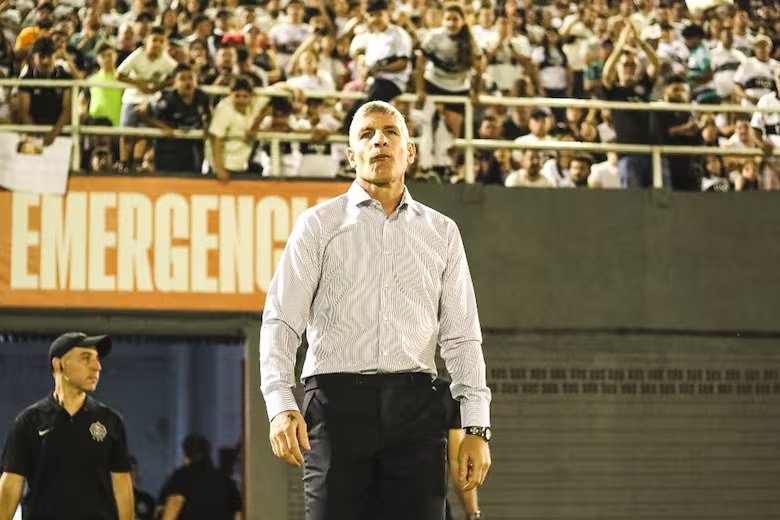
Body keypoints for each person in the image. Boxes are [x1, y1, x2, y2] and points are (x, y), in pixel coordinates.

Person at [259, 100, 492, 520]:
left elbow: (462, 338)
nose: (379, 140)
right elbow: (281, 320)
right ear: (351, 156)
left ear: (410, 151)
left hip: (416, 410)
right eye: (366, 134)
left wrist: (476, 425)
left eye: (390, 132)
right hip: (335, 407)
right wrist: (279, 402)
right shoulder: (318, 225)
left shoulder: (442, 232)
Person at [0, 332, 134, 520]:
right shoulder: (29, 422)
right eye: (85, 358)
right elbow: (10, 487)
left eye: (96, 359)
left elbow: (122, 486)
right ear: (59, 364)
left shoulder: (110, 421)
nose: (97, 367)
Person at [157, 434, 242, 520]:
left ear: (186, 456)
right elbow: (238, 514)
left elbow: (174, 504)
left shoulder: (181, 477)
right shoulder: (226, 481)